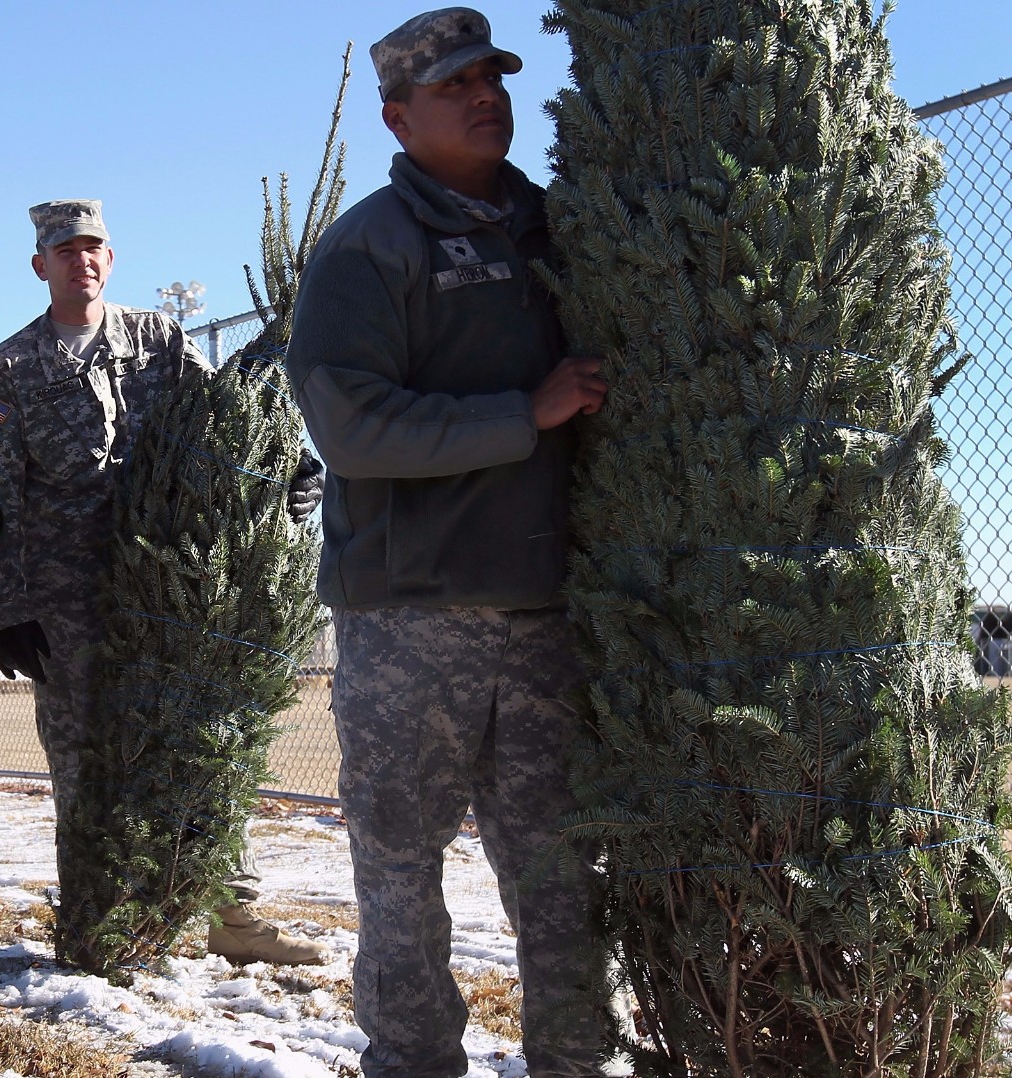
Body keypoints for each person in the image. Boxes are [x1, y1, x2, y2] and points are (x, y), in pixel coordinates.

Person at [282, 9, 611, 1075]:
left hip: (544, 609)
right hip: (411, 615)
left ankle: (574, 1062)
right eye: (454, 85)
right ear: (397, 118)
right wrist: (525, 413)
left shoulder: (557, 225)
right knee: (399, 868)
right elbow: (350, 427)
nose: (484, 97)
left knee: (561, 872)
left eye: (491, 78)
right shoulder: (369, 248)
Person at [0, 199, 327, 966]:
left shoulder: (157, 340)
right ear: (40, 266)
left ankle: (233, 915)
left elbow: (227, 415)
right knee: (81, 758)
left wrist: (295, 465)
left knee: (202, 741)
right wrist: (10, 609)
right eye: (64, 249)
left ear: (110, 259)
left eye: (92, 246)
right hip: (67, 602)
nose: (80, 259)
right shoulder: (12, 366)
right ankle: (93, 922)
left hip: (169, 587)